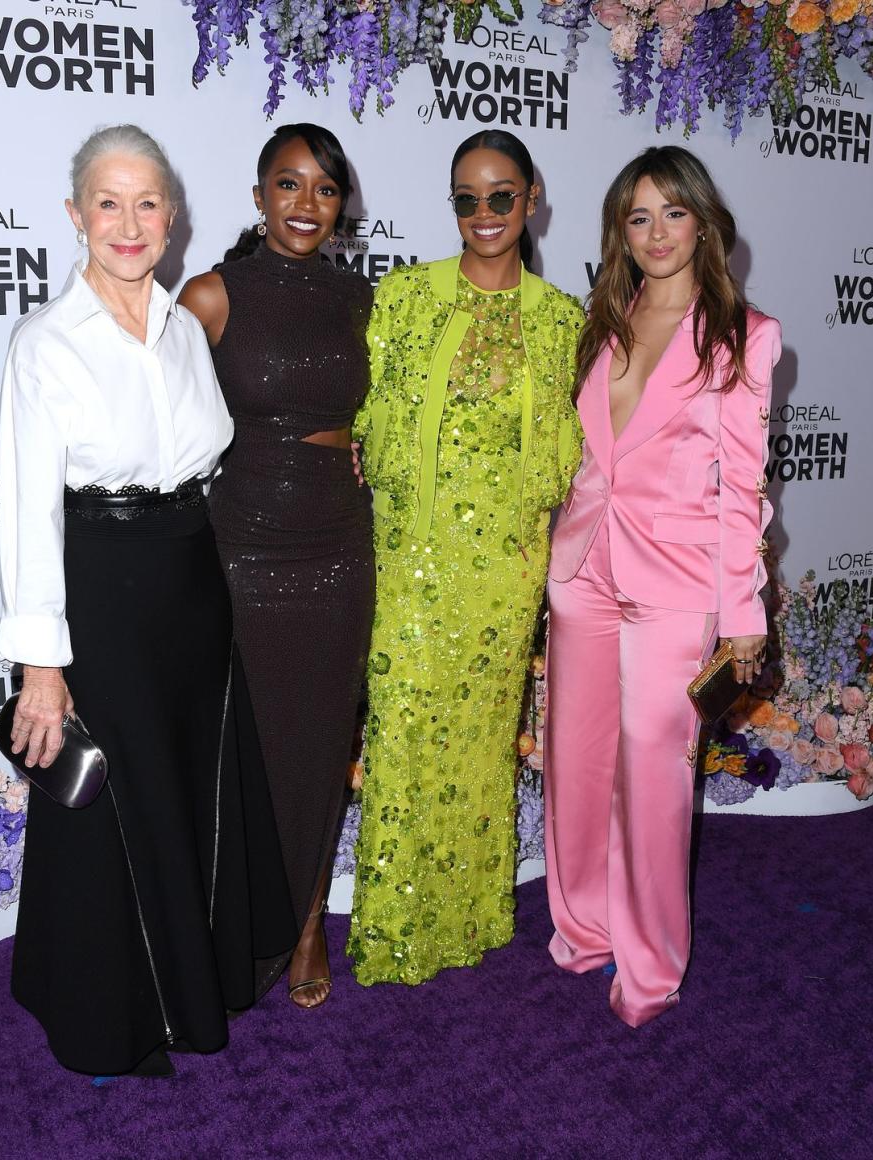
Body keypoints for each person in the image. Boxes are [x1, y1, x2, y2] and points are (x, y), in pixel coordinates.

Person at [0, 124, 296, 1076]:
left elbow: (207, 463)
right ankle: (113, 1012)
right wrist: (43, 669)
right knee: (114, 802)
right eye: (109, 203)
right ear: (77, 217)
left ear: (174, 218)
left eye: (148, 202)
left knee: (190, 782)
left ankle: (192, 983)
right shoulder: (44, 344)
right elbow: (29, 514)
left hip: (191, 585)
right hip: (101, 589)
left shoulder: (182, 331)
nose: (130, 223)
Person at [545, 145, 781, 1028]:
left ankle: (650, 966)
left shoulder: (745, 336)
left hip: (678, 584)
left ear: (703, 221)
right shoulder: (604, 320)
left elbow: (744, 488)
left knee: (652, 775)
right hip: (585, 571)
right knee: (576, 758)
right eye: (637, 217)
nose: (655, 233)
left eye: (672, 213)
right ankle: (581, 926)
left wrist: (742, 614)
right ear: (621, 231)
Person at [346, 130, 584, 986]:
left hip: (505, 574)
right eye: (466, 198)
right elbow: (366, 413)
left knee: (484, 746)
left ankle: (477, 912)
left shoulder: (562, 321)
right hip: (412, 563)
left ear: (531, 197)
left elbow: (571, 451)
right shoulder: (405, 297)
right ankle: (399, 928)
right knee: (405, 734)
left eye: (501, 196)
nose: (484, 214)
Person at [179, 124, 374, 1009]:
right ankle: (232, 923)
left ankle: (303, 924)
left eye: (324, 189)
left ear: (342, 205)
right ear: (257, 197)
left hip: (338, 542)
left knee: (320, 744)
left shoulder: (364, 302)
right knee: (245, 748)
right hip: (243, 546)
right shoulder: (211, 296)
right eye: (287, 185)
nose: (306, 205)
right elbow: (159, 428)